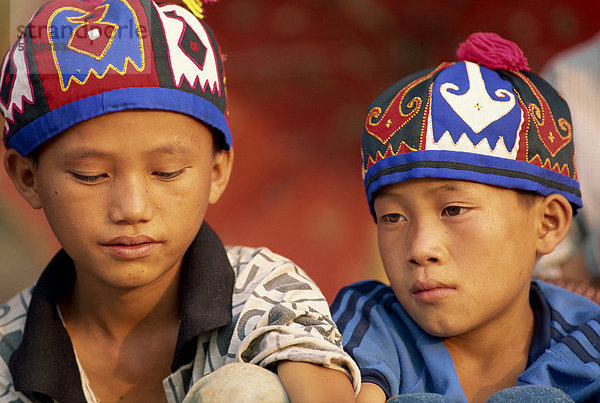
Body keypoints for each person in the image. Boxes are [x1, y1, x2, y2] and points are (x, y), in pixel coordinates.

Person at [0, 0, 359, 401]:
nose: (132, 209)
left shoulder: (263, 296)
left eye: (167, 171)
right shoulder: (6, 356)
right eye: (91, 175)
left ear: (217, 171)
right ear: (27, 177)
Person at [330, 32, 600, 403]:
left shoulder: (590, 344)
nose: (421, 249)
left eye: (453, 210)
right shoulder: (363, 327)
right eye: (392, 217)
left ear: (549, 222)